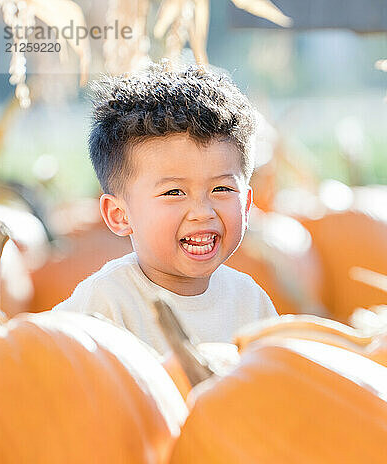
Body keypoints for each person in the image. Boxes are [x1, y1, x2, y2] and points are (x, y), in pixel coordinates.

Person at [53, 60, 278, 355]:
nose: (203, 211)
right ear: (119, 215)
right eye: (174, 192)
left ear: (247, 204)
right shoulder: (104, 304)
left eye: (221, 189)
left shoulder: (250, 301)